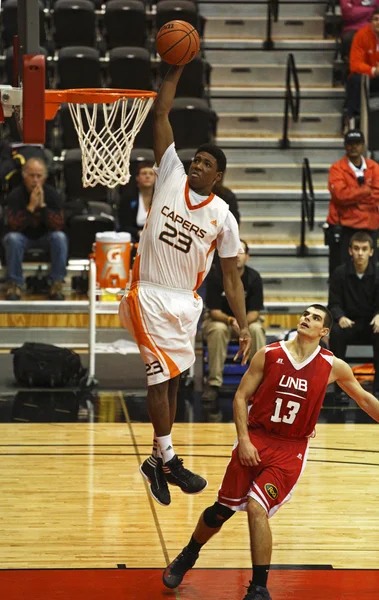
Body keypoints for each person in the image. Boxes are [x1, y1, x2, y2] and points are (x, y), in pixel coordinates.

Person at [162, 304, 379, 600]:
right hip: (256, 437)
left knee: (256, 506)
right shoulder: (270, 354)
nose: (307, 319)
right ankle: (189, 554)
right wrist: (245, 440)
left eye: (315, 318)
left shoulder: (332, 365)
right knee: (220, 512)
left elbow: (365, 400)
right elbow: (240, 397)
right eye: (306, 314)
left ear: (324, 332)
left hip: (290, 449)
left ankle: (259, 587)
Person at [118, 64, 252, 508]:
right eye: (197, 158)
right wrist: (173, 70)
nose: (197, 163)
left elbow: (231, 276)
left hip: (185, 305)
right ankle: (170, 459)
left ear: (218, 177)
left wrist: (242, 323)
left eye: (207, 163)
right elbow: (161, 116)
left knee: (172, 384)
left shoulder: (223, 218)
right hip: (148, 292)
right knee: (159, 382)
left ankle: (155, 462)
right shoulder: (171, 173)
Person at [203, 239, 265, 417]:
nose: (237, 255)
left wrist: (244, 324)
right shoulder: (216, 275)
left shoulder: (254, 278)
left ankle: (261, 383)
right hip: (223, 321)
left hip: (246, 322)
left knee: (257, 329)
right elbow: (214, 311)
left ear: (247, 256)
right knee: (217, 329)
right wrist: (232, 320)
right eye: (234, 251)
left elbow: (255, 311)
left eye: (241, 251)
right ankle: (214, 384)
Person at [3, 157, 68, 301]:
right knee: (12, 239)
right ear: (24, 176)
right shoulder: (16, 195)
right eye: (31, 176)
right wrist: (30, 208)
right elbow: (13, 225)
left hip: (46, 237)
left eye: (39, 176)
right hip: (23, 238)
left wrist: (43, 207)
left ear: (44, 177)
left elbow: (59, 224)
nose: (35, 180)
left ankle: (56, 283)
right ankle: (15, 284)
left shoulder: (51, 194)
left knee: (60, 238)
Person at [328, 230, 379, 396]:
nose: (360, 253)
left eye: (364, 249)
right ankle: (340, 389)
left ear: (371, 251)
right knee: (335, 331)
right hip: (348, 323)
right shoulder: (339, 273)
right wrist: (340, 316)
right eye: (356, 249)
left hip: (372, 325)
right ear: (350, 250)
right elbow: (333, 303)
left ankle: (377, 389)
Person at [326, 129, 379, 276]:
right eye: (350, 143)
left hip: (370, 226)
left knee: (371, 273)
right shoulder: (337, 168)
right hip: (344, 228)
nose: (354, 147)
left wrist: (352, 200)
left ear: (363, 145)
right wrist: (364, 191)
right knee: (341, 272)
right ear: (345, 146)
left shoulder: (374, 168)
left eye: (357, 143)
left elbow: (377, 195)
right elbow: (340, 196)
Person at [346, 8, 379, 125]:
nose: (378, 23)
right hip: (368, 77)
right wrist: (373, 71)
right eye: (376, 19)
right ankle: (353, 119)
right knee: (354, 79)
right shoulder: (361, 35)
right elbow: (355, 65)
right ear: (371, 21)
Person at [118, 161, 155, 242]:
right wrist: (138, 233)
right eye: (144, 173)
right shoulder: (128, 198)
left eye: (151, 174)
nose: (147, 176)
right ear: (137, 177)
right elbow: (124, 226)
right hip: (135, 237)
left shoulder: (161, 198)